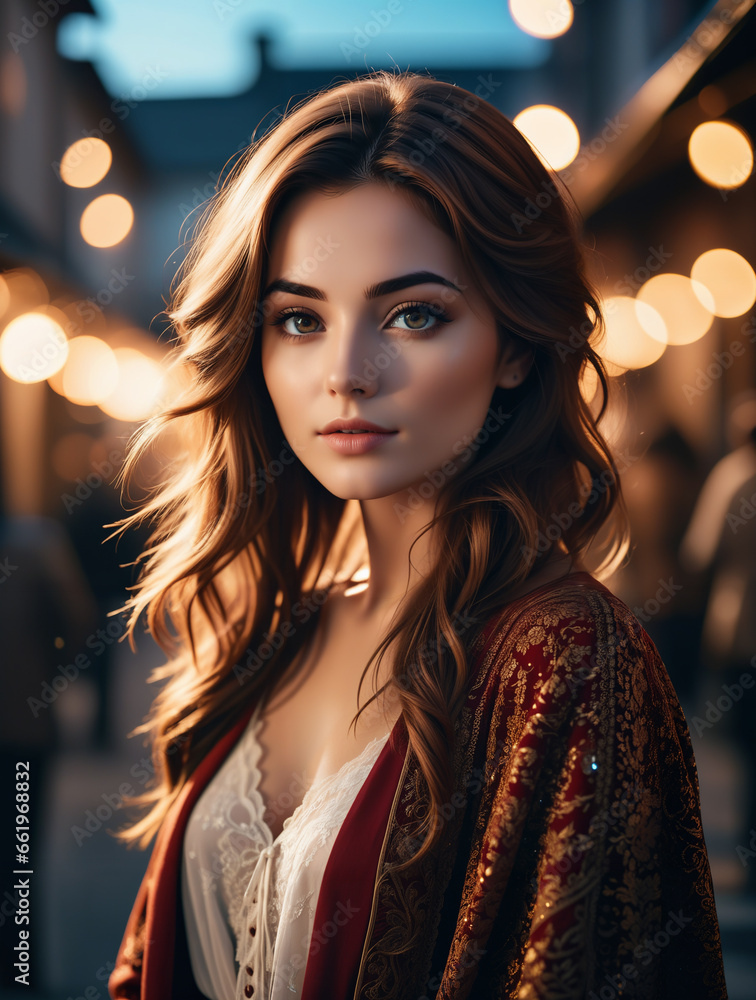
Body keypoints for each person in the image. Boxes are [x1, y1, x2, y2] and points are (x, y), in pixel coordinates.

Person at [107, 70, 727, 999]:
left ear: (517, 343)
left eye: (413, 314)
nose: (348, 373)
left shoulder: (568, 657)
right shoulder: (274, 628)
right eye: (300, 320)